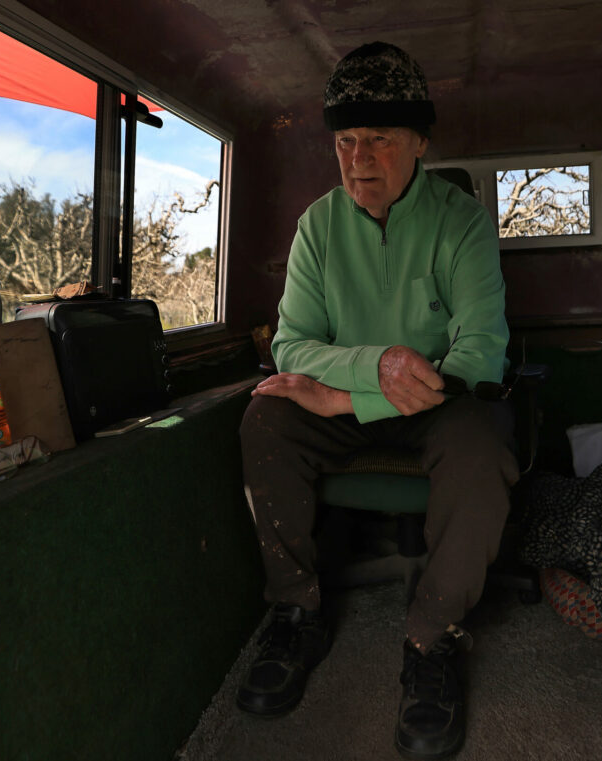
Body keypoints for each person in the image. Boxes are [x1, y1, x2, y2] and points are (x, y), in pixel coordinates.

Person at [237, 40, 519, 760]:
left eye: (381, 139)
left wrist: (348, 401)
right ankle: (295, 612)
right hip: (352, 403)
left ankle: (432, 638)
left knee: (484, 439)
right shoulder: (317, 226)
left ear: (421, 142)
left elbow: (478, 358)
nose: (360, 159)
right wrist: (375, 369)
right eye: (347, 141)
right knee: (267, 416)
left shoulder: (463, 221)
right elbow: (292, 346)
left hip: (438, 412)